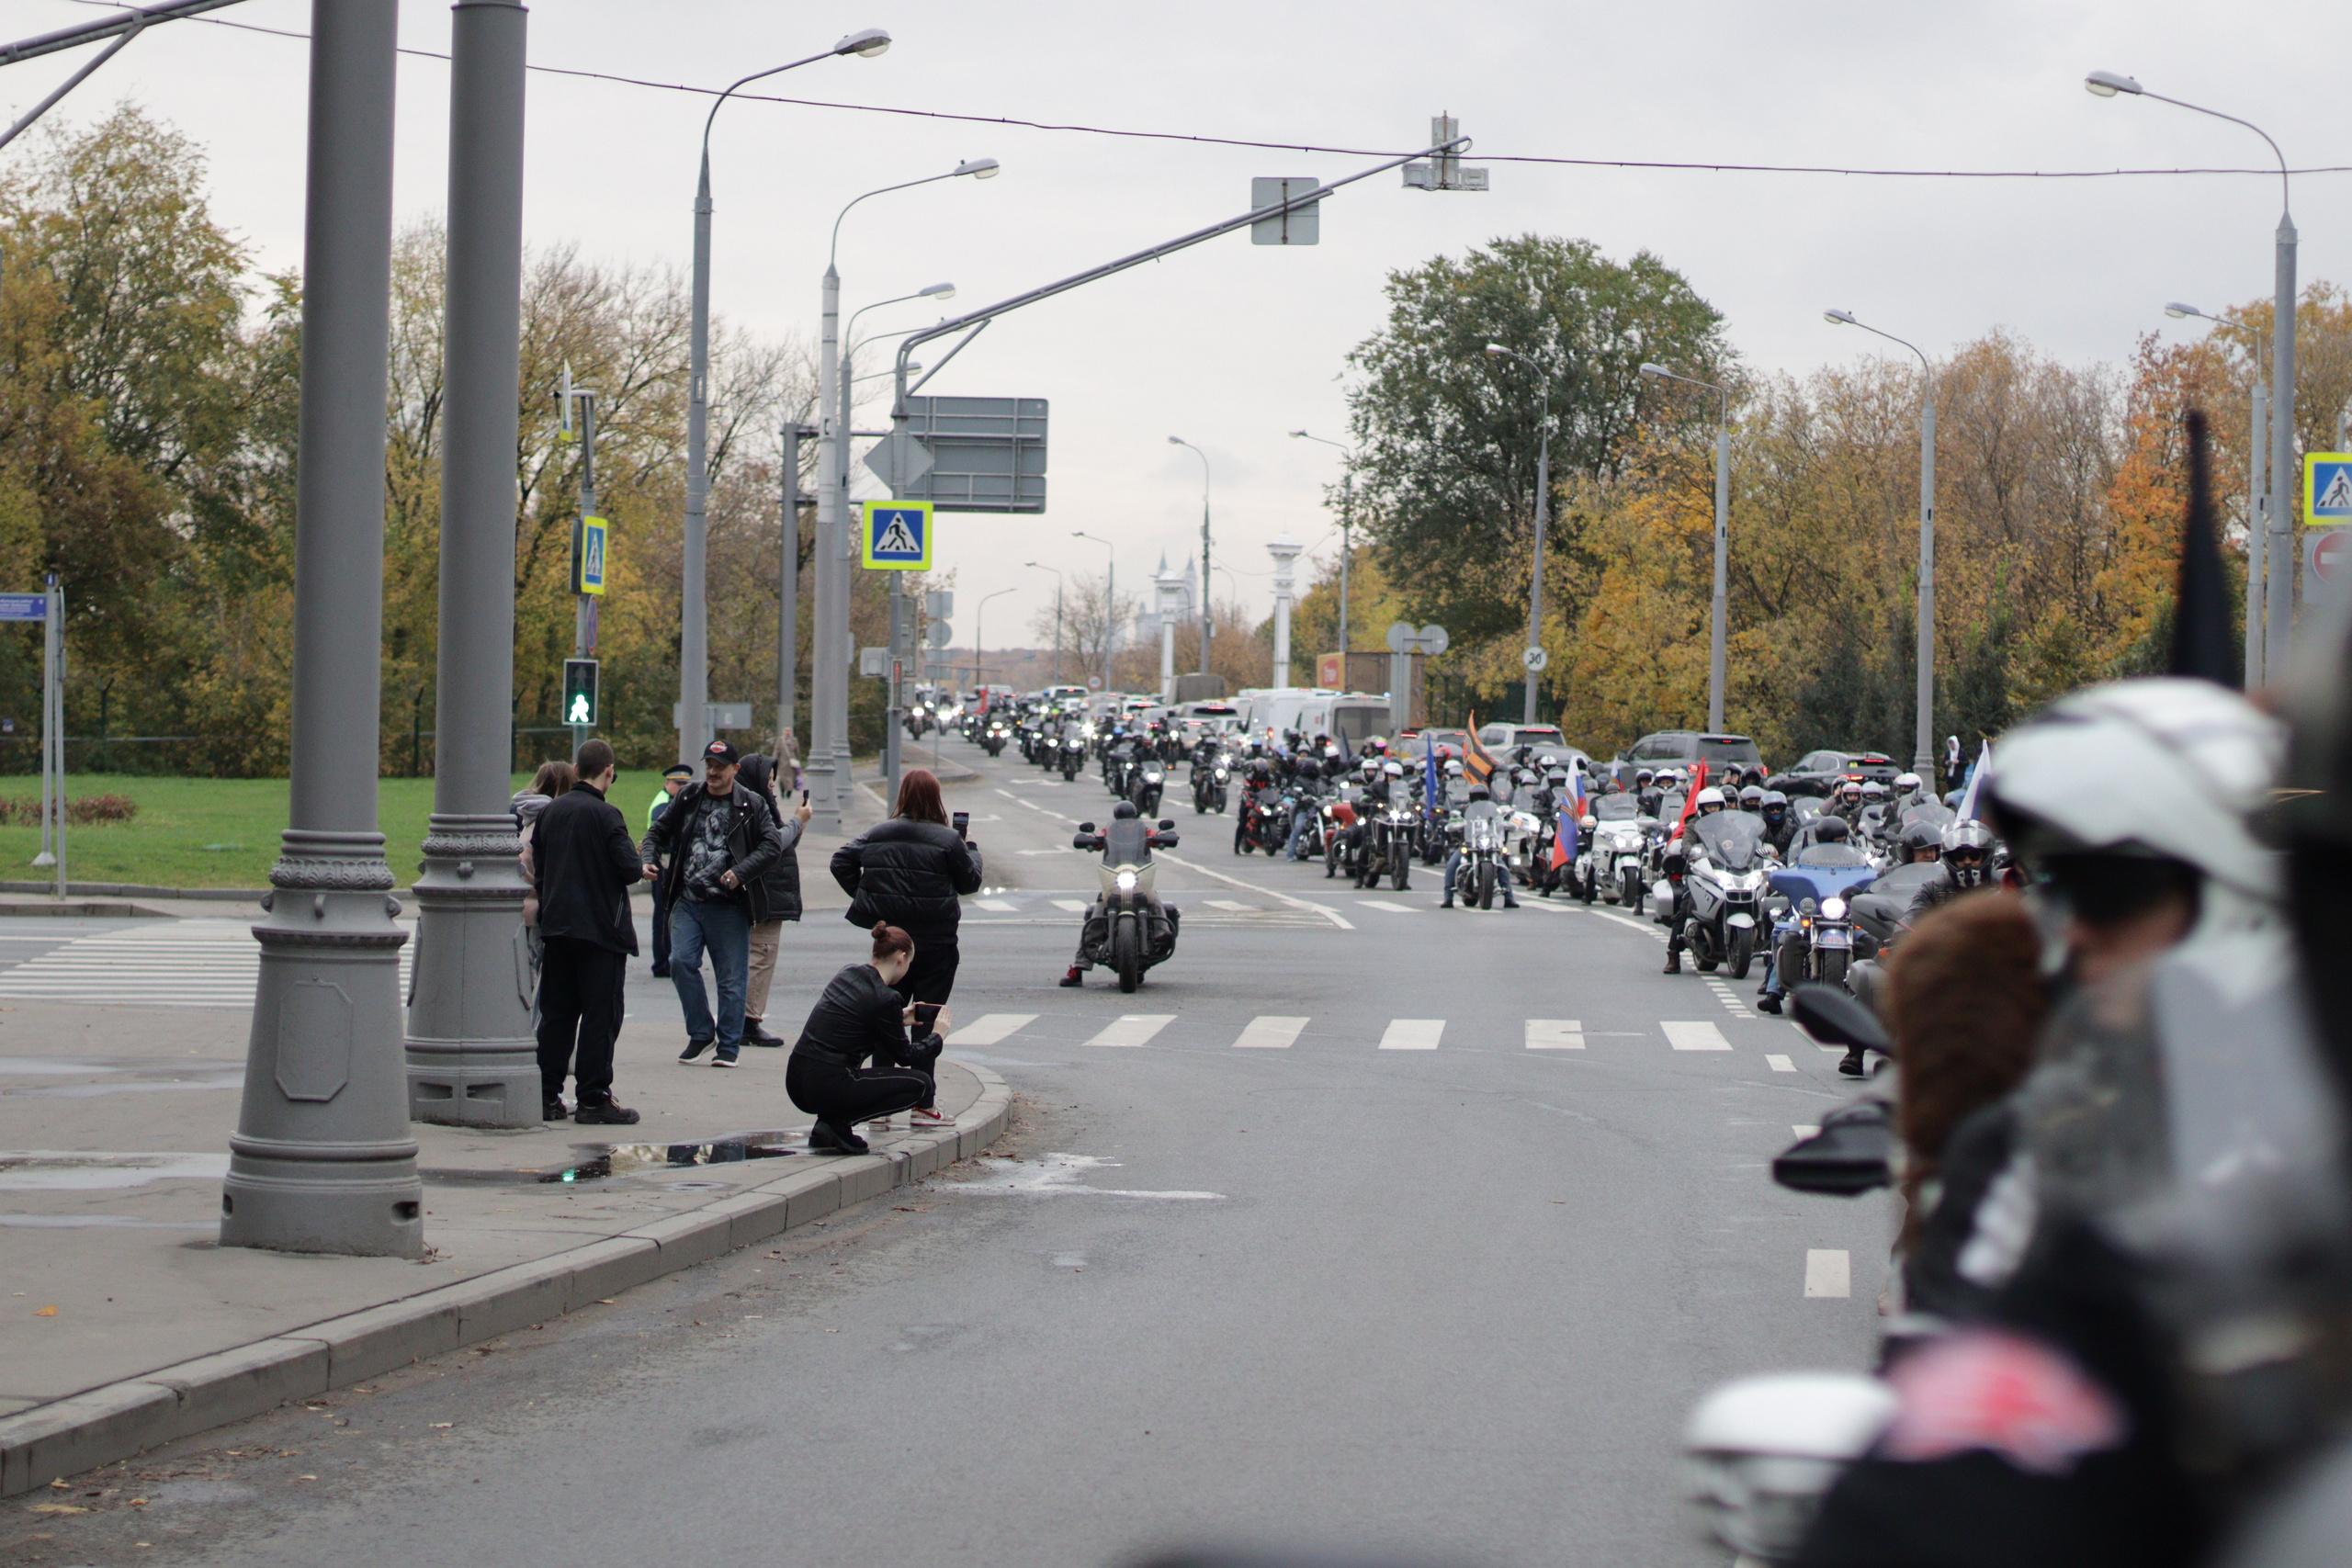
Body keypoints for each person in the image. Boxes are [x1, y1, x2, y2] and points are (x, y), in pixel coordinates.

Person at [639, 739, 786, 1067]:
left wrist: (741, 872)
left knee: (731, 979)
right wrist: (648, 859)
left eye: (720, 767)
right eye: (709, 765)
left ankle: (729, 1047)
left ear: (735, 769)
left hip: (730, 905)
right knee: (680, 962)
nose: (712, 772)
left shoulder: (751, 804)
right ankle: (701, 1033)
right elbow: (656, 832)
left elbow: (771, 846)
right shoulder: (689, 797)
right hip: (688, 900)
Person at [530, 739, 644, 1125]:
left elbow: (541, 868)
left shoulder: (551, 812)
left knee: (557, 1015)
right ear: (609, 771)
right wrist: (637, 859)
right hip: (600, 931)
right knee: (600, 1016)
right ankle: (593, 1098)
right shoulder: (607, 815)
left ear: (577, 770)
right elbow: (629, 869)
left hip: (557, 927)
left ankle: (546, 1095)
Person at [831, 768, 982, 1032]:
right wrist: (971, 848)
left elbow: (840, 861)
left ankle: (885, 1061)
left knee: (888, 1020)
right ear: (936, 798)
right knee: (927, 1019)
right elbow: (970, 883)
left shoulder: (878, 833)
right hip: (937, 942)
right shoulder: (949, 840)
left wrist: (867, 897)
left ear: (902, 796)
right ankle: (924, 1060)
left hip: (892, 939)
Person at [786, 922, 950, 1154]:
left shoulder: (848, 973)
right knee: (921, 1085)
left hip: (796, 1081)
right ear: (902, 958)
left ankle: (830, 1126)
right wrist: (937, 1036)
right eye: (909, 963)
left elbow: (851, 1021)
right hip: (828, 1086)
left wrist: (897, 1019)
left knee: (850, 1078)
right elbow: (906, 1056)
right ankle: (837, 1124)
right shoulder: (886, 998)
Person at [736, 753, 811, 1049]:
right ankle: (747, 1021)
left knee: (754, 956)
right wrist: (797, 821)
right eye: (767, 780)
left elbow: (783, 844)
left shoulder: (756, 804)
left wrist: (797, 826)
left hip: (765, 893)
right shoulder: (753, 806)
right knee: (761, 955)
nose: (771, 785)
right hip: (764, 895)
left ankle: (742, 1020)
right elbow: (773, 846)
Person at [514, 760, 576, 1005]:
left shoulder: (527, 816)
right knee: (547, 984)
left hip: (526, 907)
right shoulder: (552, 820)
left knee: (530, 975)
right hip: (544, 909)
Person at [644, 762, 694, 977]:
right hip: (663, 865)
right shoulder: (662, 805)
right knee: (663, 916)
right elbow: (663, 838)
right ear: (667, 783)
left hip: (672, 865)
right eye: (677, 783)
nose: (681, 787)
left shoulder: (678, 801)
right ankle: (662, 962)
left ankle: (669, 959)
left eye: (684, 784)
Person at [1441, 780, 1520, 909]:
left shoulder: (1493, 810)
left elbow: (1500, 820)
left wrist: (1505, 824)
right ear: (1471, 798)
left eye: (1482, 797)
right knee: (1451, 864)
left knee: (1502, 866)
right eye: (1476, 797)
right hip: (1469, 844)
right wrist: (1455, 824)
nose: (1479, 800)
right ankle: (1448, 897)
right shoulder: (1464, 809)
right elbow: (1455, 819)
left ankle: (1509, 897)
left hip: (1488, 844)